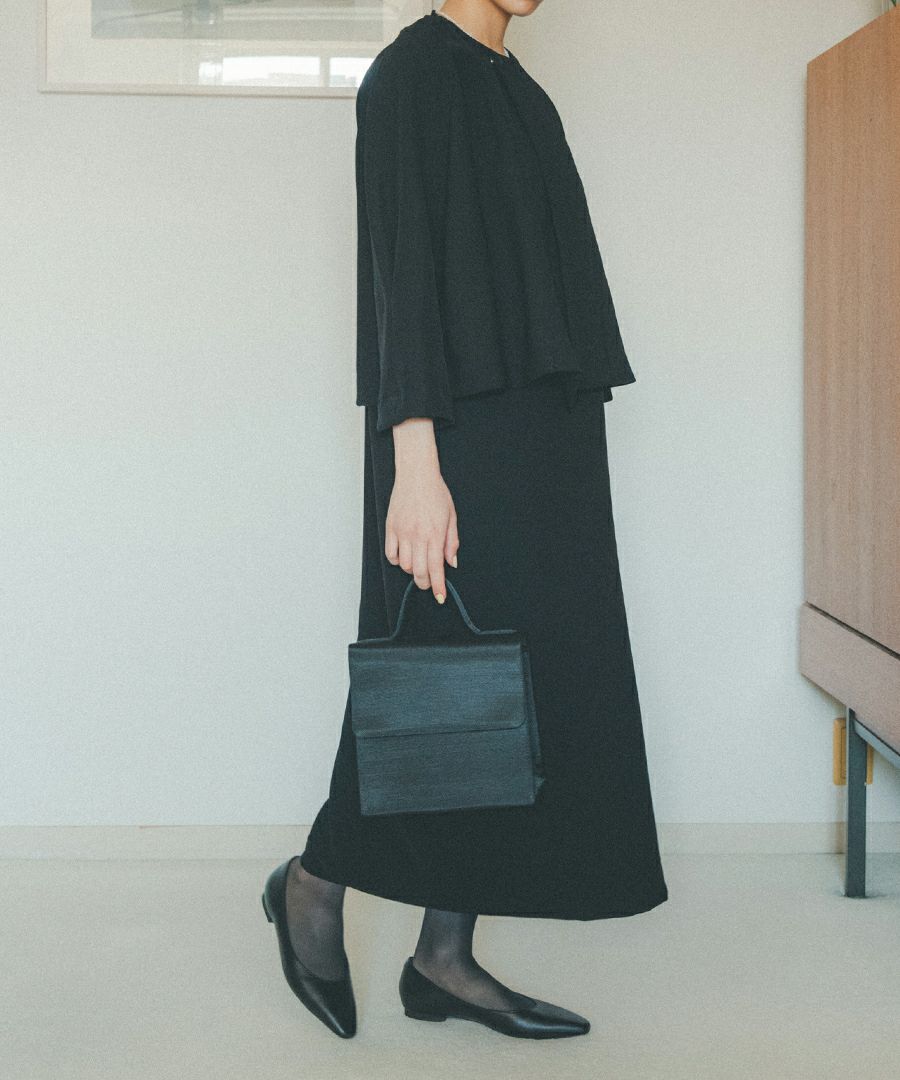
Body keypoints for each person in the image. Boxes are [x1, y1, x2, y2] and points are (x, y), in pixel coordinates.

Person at [262, 0, 668, 1040]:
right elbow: (402, 275)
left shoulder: (518, 89)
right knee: (442, 673)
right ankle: (313, 882)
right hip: (456, 437)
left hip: (547, 432)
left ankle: (443, 956)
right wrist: (415, 464)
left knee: (517, 689)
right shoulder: (412, 76)